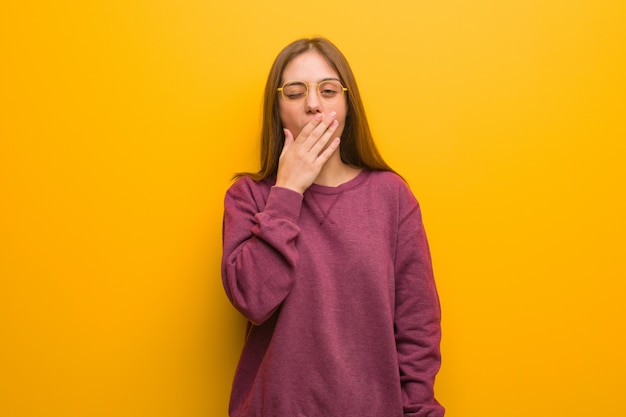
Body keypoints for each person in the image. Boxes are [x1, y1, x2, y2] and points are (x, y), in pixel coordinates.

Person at [221, 37, 444, 417]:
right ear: (276, 110)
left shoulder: (391, 197)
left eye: (327, 90)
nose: (313, 103)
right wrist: (288, 190)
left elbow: (417, 328)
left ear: (347, 104)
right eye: (294, 92)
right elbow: (252, 301)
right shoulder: (249, 197)